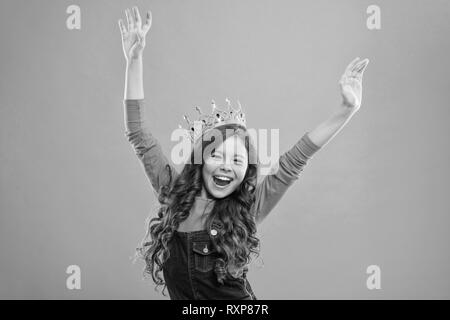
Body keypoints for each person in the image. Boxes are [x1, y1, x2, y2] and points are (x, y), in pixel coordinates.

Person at [118, 6, 369, 300]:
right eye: (217, 156)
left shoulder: (246, 209)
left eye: (237, 160)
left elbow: (294, 161)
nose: (227, 167)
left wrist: (346, 111)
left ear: (245, 172)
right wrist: (133, 61)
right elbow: (139, 135)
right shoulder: (173, 194)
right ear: (200, 161)